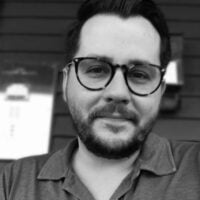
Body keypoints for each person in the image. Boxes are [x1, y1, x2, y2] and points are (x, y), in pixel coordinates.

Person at [0, 0, 200, 199]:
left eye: (139, 74)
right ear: (66, 82)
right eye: (96, 69)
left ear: (160, 90)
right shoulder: (11, 182)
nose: (118, 92)